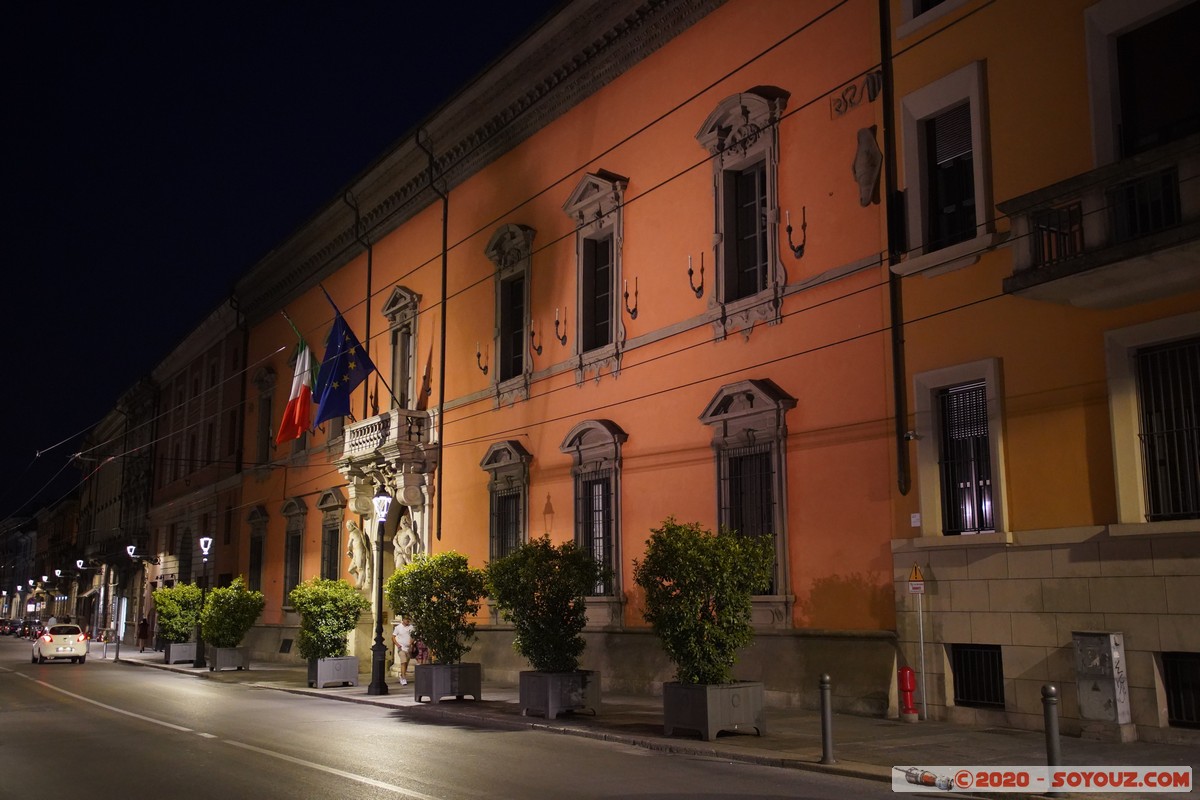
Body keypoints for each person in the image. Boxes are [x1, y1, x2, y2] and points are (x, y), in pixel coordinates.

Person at [391, 614, 414, 685]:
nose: (408, 621)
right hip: (401, 648)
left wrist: (411, 644)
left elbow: (413, 636)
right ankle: (403, 678)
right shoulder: (398, 627)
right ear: (403, 620)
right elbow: (393, 637)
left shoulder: (411, 627)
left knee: (406, 663)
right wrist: (398, 645)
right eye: (406, 619)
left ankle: (402, 675)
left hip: (408, 648)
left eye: (408, 619)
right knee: (403, 662)